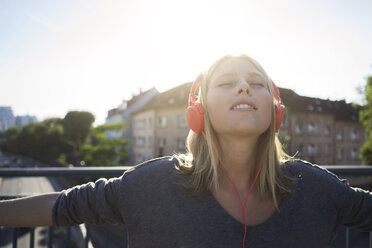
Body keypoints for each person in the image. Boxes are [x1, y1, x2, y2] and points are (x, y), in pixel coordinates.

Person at [1, 54, 372, 248]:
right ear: (200, 110)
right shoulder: (151, 184)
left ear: (276, 112)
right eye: (227, 82)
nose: (244, 87)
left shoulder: (320, 189)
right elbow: (66, 206)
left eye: (256, 83)